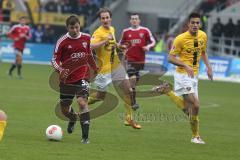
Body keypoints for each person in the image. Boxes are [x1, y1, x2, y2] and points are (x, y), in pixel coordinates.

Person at [88, 8, 141, 129]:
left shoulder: (112, 29)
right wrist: (104, 41)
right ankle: (85, 100)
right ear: (100, 20)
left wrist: (119, 46)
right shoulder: (98, 33)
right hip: (104, 70)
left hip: (116, 66)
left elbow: (112, 44)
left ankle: (129, 118)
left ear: (110, 18)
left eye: (107, 17)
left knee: (128, 90)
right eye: (103, 18)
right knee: (101, 97)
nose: (105, 20)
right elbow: (90, 46)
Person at [51, 15, 98, 144]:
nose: (75, 30)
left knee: (82, 103)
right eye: (72, 28)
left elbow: (89, 55)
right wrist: (61, 70)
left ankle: (85, 137)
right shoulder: (62, 41)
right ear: (67, 27)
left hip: (83, 76)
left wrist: (95, 68)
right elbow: (54, 60)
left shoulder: (86, 38)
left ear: (79, 26)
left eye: (77, 27)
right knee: (65, 110)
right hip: (67, 79)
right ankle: (73, 118)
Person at [168, 12, 213, 144]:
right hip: (182, 75)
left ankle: (195, 136)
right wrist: (185, 65)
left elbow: (203, 52)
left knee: (192, 110)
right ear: (188, 24)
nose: (195, 25)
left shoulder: (203, 36)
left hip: (194, 76)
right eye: (192, 23)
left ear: (200, 24)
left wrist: (209, 68)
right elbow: (170, 58)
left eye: (197, 23)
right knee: (196, 105)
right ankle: (195, 136)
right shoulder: (180, 39)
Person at [119, 13, 156, 109]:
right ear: (130, 21)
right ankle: (133, 103)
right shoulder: (126, 32)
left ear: (139, 20)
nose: (134, 20)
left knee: (133, 83)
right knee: (132, 80)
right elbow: (120, 44)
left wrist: (148, 47)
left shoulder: (145, 30)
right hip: (130, 60)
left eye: (136, 18)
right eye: (132, 19)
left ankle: (131, 98)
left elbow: (153, 41)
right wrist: (122, 47)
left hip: (141, 61)